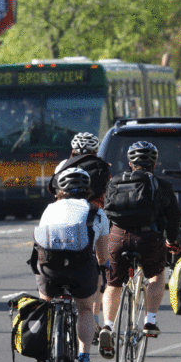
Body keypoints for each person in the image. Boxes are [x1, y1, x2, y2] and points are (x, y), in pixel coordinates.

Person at [99, 141, 181, 359]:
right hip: (148, 237)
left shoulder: (114, 181)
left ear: (129, 163)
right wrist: (172, 241)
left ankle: (107, 326)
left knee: (113, 283)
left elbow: (106, 213)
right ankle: (150, 321)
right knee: (155, 276)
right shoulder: (161, 185)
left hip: (117, 236)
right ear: (154, 163)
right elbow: (174, 218)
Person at [32, 168, 110, 362]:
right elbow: (102, 256)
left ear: (59, 190)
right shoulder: (97, 213)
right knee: (85, 309)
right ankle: (84, 359)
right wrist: (105, 270)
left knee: (46, 303)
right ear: (88, 190)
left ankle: (47, 340)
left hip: (50, 270)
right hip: (81, 270)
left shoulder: (49, 209)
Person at [48, 132, 111, 344]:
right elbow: (108, 197)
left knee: (45, 292)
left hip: (60, 224)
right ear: (95, 151)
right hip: (94, 221)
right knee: (98, 266)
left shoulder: (62, 166)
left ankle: (46, 330)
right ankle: (92, 317)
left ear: (73, 150)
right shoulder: (102, 166)